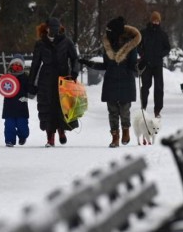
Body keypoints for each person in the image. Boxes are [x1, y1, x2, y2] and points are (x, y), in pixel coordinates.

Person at [80, 16, 141, 147]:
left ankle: (126, 130)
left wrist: (140, 66)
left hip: (126, 81)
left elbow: (133, 67)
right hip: (111, 81)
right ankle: (115, 137)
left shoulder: (130, 46)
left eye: (109, 32)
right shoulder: (107, 45)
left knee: (125, 111)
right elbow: (106, 66)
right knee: (112, 111)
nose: (107, 34)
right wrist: (89, 63)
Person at [28, 17, 80, 147]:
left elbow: (75, 58)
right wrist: (31, 83)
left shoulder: (66, 42)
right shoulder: (40, 44)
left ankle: (61, 131)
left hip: (63, 78)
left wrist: (74, 73)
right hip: (46, 79)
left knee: (63, 106)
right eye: (52, 28)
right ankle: (50, 138)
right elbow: (35, 64)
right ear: (47, 28)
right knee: (47, 108)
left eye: (57, 28)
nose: (54, 30)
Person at [138, 11, 170, 118]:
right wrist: (142, 54)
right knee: (145, 87)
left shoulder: (163, 34)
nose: (156, 22)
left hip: (157, 64)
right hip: (146, 64)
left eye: (157, 21)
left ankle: (157, 110)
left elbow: (167, 48)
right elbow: (138, 45)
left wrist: (160, 54)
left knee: (159, 88)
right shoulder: (144, 33)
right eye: (154, 20)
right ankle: (144, 107)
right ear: (151, 20)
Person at [1, 54, 30, 147]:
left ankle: (22, 136)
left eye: (19, 64)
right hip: (9, 107)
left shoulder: (25, 78)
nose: (16, 65)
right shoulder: (7, 77)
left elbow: (30, 90)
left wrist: (33, 87)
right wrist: (1, 81)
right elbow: (2, 87)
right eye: (15, 63)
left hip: (21, 107)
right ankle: (9, 140)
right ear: (11, 65)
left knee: (23, 128)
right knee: (9, 126)